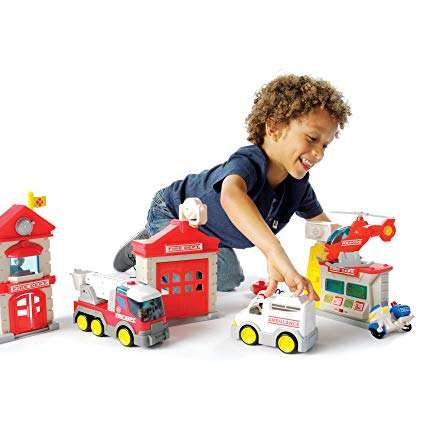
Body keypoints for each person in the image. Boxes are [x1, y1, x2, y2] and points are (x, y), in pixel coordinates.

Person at [113, 74, 351, 299]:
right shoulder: (248, 163)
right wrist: (273, 252)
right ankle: (146, 248)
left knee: (229, 278)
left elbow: (324, 227)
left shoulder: (298, 187)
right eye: (312, 138)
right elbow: (231, 196)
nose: (319, 153)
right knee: (180, 278)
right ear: (274, 128)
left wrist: (349, 246)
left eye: (325, 145)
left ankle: (170, 247)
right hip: (174, 213)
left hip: (210, 234)